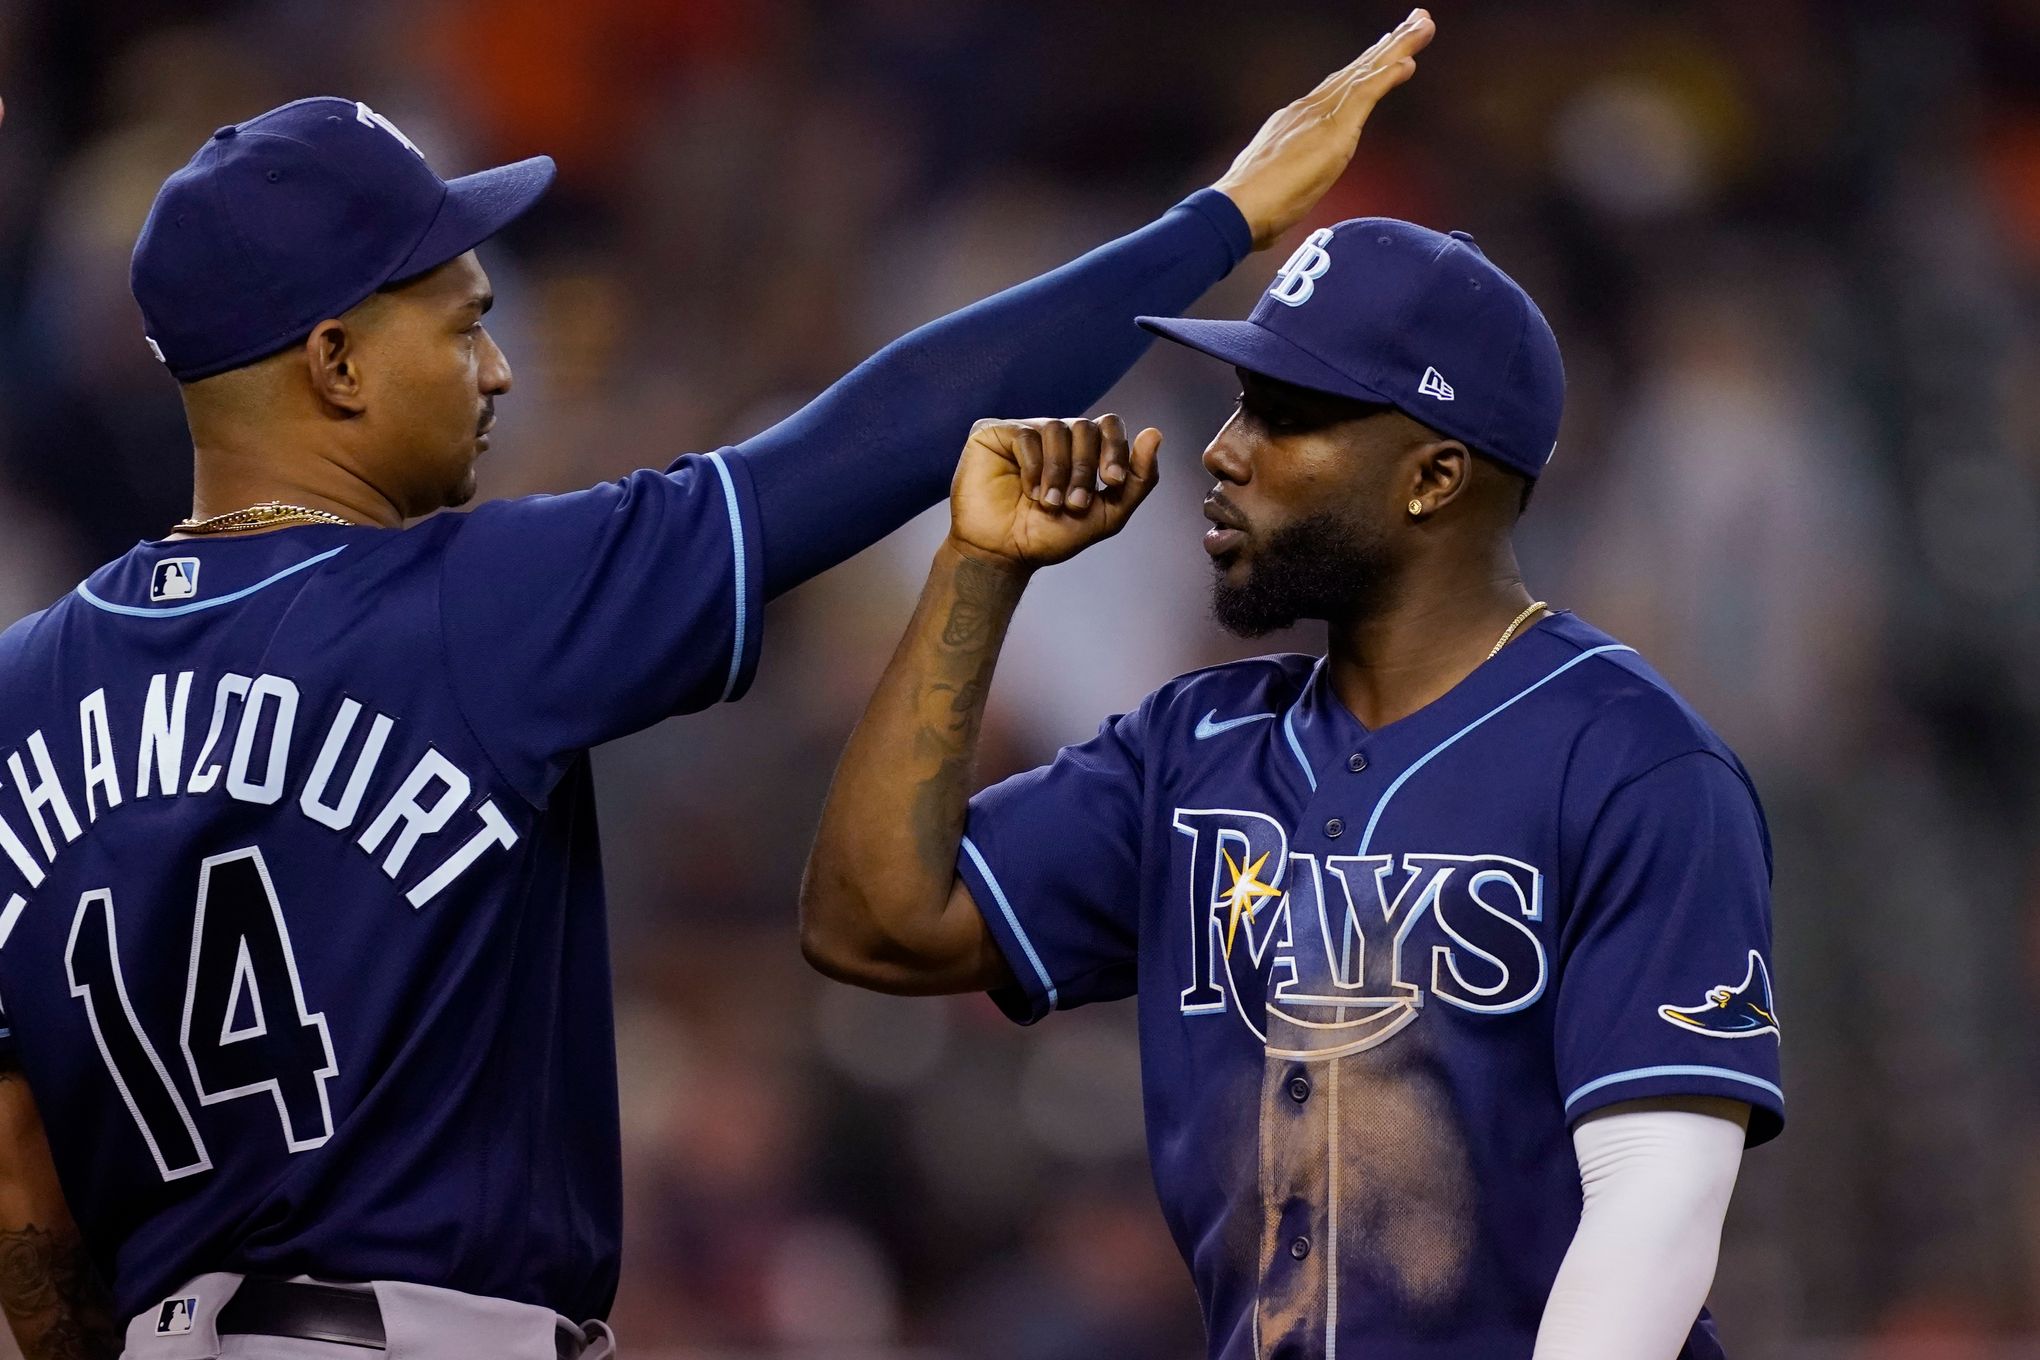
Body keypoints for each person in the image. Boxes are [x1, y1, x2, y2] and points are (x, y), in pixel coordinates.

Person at [0, 14, 1436, 1359]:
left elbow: (18, 1176)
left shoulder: (22, 689)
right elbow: (872, 441)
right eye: (460, 321)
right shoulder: (472, 606)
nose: (499, 369)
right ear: (334, 361)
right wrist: (1219, 223)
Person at [799, 217, 1783, 1358]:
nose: (1225, 449)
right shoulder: (1194, 744)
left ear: (1434, 477)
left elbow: (1656, 1199)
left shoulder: (1631, 760)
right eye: (1237, 403)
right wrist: (978, 569)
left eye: (1286, 415)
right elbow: (871, 922)